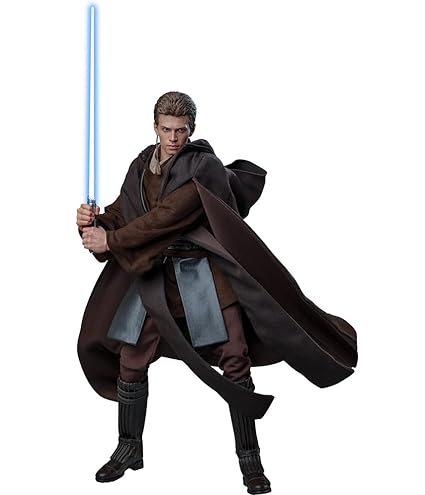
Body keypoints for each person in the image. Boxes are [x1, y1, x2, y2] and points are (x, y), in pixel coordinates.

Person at [77, 91, 357, 494]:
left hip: (201, 277)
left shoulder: (202, 167)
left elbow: (165, 218)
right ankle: (129, 448)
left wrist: (112, 240)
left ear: (191, 130)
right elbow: (125, 211)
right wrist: (97, 222)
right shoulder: (141, 166)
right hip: (154, 275)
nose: (173, 138)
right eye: (167, 129)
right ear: (155, 127)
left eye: (181, 130)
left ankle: (250, 460)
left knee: (235, 359)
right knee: (131, 358)